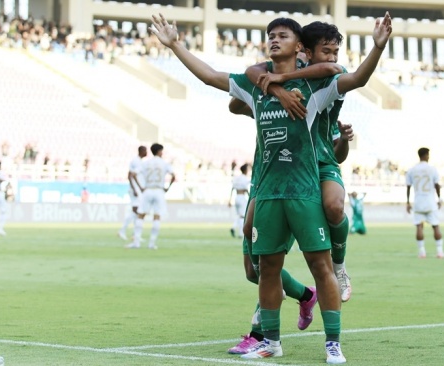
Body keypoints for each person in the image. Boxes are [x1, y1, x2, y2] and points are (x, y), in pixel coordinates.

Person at [150, 11, 392, 364]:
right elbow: (212, 77)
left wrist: (377, 48)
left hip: (304, 189)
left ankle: (333, 343)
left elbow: (354, 77)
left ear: (300, 47)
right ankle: (271, 341)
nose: (274, 39)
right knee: (267, 267)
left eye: (283, 35)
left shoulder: (315, 88)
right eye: (271, 35)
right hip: (265, 191)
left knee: (320, 266)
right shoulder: (255, 83)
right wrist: (175, 46)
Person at [232, 21, 355, 303]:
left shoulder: (323, 86)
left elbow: (335, 71)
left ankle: (339, 267)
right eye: (327, 51)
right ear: (307, 50)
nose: (333, 57)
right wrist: (272, 89)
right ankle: (302, 297)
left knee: (334, 206)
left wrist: (282, 81)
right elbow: (248, 81)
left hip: (314, 166)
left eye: (335, 52)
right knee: (254, 262)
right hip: (271, 173)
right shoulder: (278, 69)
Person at [126, 143, 175, 250]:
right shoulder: (164, 163)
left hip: (147, 190)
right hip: (159, 190)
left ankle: (136, 242)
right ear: (159, 151)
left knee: (141, 215)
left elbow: (133, 174)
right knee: (157, 216)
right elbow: (173, 176)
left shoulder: (146, 163)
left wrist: (141, 187)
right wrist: (167, 188)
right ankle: (152, 244)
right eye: (162, 151)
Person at [406, 147, 444, 259]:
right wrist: (439, 198)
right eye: (428, 154)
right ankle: (439, 252)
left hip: (418, 201)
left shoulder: (412, 169)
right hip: (430, 201)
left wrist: (408, 202)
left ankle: (422, 252)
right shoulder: (432, 169)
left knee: (419, 226)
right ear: (425, 155)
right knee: (435, 226)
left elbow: (408, 187)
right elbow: (437, 185)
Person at [119, 145, 148, 241]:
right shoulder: (136, 161)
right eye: (145, 150)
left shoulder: (139, 161)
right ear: (141, 151)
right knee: (136, 211)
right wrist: (134, 188)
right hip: (135, 190)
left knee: (136, 212)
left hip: (137, 189)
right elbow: (130, 174)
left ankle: (134, 234)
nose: (147, 152)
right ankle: (123, 231)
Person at [229, 163, 250, 238]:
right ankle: (241, 234)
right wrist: (250, 197)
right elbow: (246, 189)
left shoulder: (236, 178)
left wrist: (230, 200)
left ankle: (233, 227)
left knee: (239, 215)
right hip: (242, 197)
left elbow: (232, 188)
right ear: (245, 170)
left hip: (236, 197)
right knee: (243, 216)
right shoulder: (245, 178)